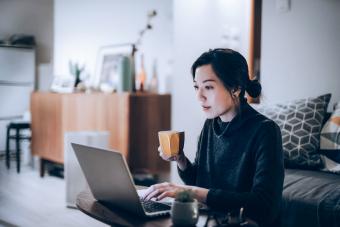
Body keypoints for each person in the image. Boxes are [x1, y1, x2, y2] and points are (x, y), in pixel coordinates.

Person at [141, 48, 284, 227]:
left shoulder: (265, 131)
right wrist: (181, 159)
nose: (199, 96)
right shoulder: (211, 124)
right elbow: (200, 182)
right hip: (211, 220)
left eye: (208, 87)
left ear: (236, 88)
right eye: (196, 87)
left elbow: (264, 205)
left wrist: (187, 191)